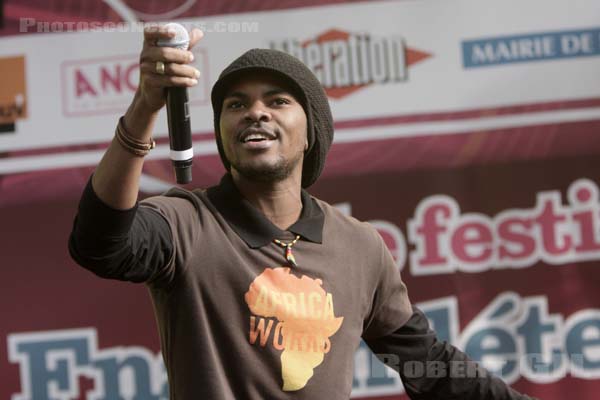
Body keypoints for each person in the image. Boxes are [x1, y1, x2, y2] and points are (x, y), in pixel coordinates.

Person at [68, 25, 534, 399]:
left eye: (277, 101)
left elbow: (425, 364)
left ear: (311, 132)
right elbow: (98, 246)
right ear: (223, 133)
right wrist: (145, 106)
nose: (255, 113)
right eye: (236, 105)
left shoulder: (360, 245)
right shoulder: (185, 220)